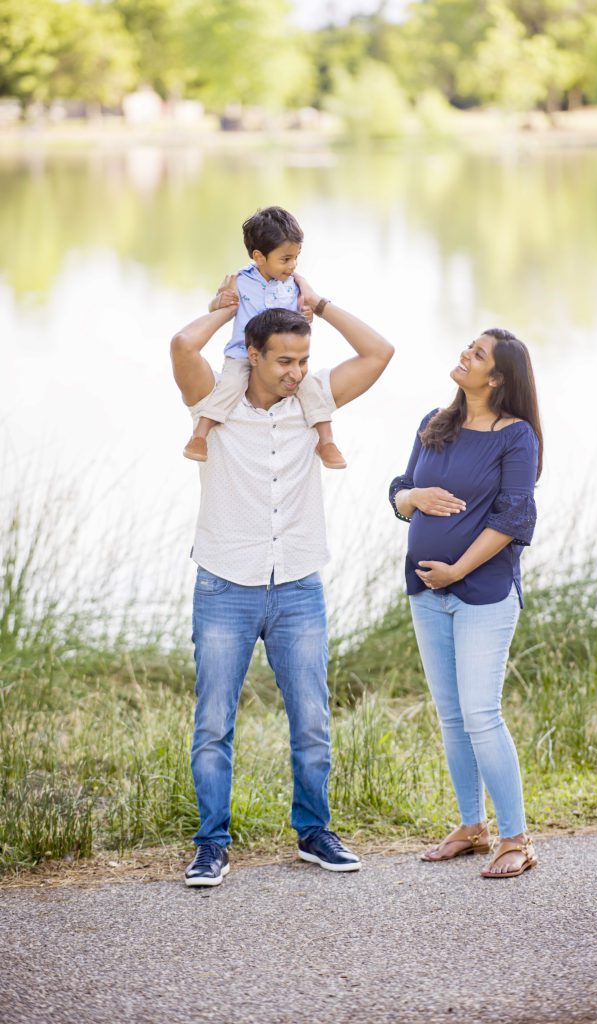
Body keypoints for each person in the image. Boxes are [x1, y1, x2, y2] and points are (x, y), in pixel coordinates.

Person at [170, 274, 394, 886]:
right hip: (225, 586)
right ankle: (212, 843)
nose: (297, 371)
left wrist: (318, 304)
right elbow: (181, 347)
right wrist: (224, 311)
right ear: (256, 357)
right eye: (286, 361)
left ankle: (314, 832)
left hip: (298, 585)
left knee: (313, 719)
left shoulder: (314, 401)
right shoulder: (212, 404)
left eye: (304, 360)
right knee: (214, 722)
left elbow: (379, 353)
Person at [389, 329, 543, 879]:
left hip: (483, 594)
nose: (464, 356)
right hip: (426, 593)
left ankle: (516, 838)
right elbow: (399, 491)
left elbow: (513, 518)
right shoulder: (436, 422)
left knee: (481, 715)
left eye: (477, 355)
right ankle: (472, 826)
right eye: (468, 348)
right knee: (452, 718)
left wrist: (457, 569)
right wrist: (414, 499)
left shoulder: (516, 436)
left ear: (497, 379)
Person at [183, 206, 346, 470]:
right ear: (259, 257)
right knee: (229, 387)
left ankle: (326, 441)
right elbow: (219, 305)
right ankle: (199, 436)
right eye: (285, 259)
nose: (292, 265)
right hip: (242, 351)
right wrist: (218, 302)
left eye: (296, 257)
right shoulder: (240, 280)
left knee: (310, 389)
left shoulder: (294, 284)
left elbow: (300, 318)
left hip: (281, 356)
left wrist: (307, 313)